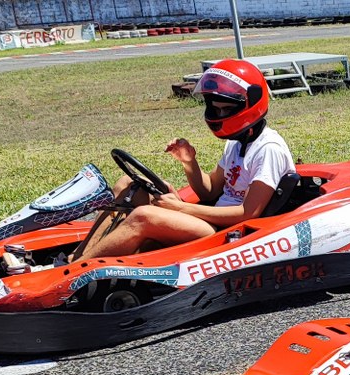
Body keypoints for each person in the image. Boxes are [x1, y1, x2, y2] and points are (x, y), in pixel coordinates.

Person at [69, 58, 295, 261]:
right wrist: (189, 162)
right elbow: (209, 192)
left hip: (228, 232)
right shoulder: (237, 143)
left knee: (143, 216)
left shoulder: (268, 149)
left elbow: (248, 213)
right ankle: (77, 256)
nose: (219, 116)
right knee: (126, 185)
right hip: (210, 220)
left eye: (226, 109)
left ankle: (76, 271)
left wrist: (181, 209)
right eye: (216, 110)